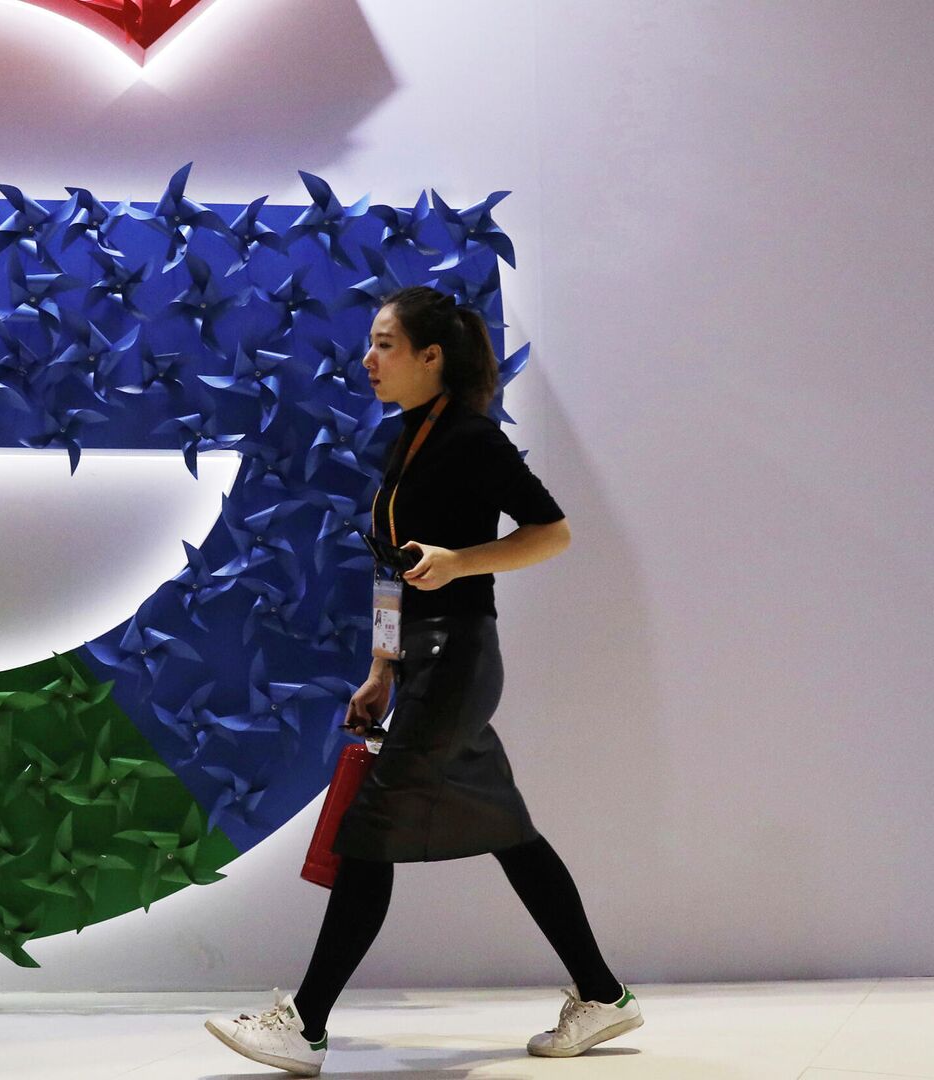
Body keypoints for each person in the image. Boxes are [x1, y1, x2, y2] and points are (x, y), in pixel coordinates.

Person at [204, 286, 642, 1076]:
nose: (367, 359)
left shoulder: (472, 437)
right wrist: (381, 667)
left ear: (431, 357)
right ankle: (604, 995)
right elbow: (391, 568)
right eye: (371, 344)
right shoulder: (405, 440)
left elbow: (553, 532)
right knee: (510, 834)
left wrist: (462, 561)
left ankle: (304, 1025)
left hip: (458, 658)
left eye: (385, 344)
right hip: (425, 662)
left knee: (368, 831)